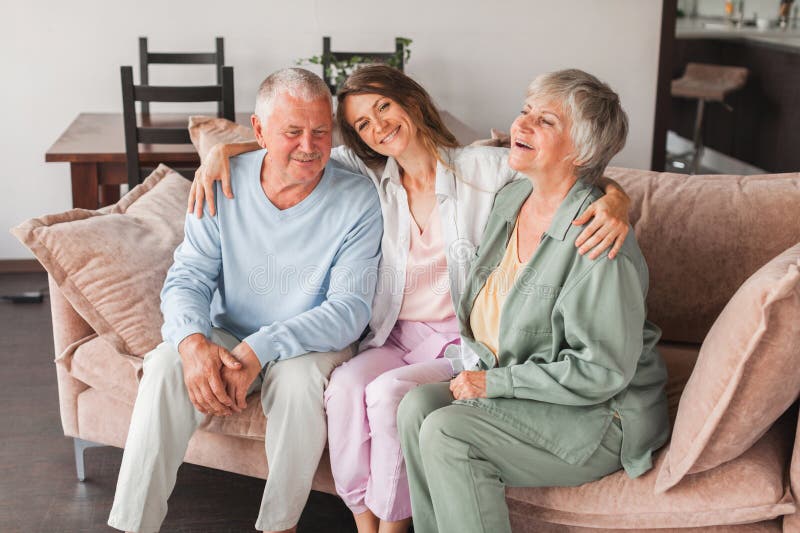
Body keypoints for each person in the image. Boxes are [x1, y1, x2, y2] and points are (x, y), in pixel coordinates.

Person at [188, 65, 631, 533]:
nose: (377, 126)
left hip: (456, 341)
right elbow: (295, 149)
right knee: (342, 389)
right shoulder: (369, 172)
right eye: (361, 123)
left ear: (411, 102)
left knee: (387, 396)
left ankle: (394, 528)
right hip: (394, 335)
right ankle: (365, 524)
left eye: (384, 106)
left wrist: (615, 197)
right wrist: (223, 148)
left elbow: (566, 171)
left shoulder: (483, 170)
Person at [107, 68, 383, 533]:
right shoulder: (222, 181)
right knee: (164, 366)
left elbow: (349, 310)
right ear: (258, 131)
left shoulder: (359, 199)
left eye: (320, 131)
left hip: (312, 340)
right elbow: (188, 276)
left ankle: (279, 526)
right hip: (229, 329)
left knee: (299, 388)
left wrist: (263, 348)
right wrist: (192, 342)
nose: (309, 146)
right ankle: (133, 525)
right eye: (292, 132)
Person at [396, 69, 670, 533]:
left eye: (545, 121)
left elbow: (601, 370)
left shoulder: (598, 243)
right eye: (526, 111)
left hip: (600, 415)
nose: (522, 126)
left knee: (448, 433)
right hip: (532, 391)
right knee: (415, 408)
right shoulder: (515, 193)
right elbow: (445, 156)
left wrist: (493, 386)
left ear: (581, 150)